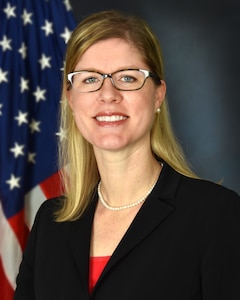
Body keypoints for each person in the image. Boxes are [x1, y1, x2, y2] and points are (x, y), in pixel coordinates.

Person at [14, 10, 240, 300]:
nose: (108, 94)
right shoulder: (50, 224)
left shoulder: (215, 215)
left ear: (158, 95)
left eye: (128, 77)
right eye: (89, 79)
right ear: (71, 99)